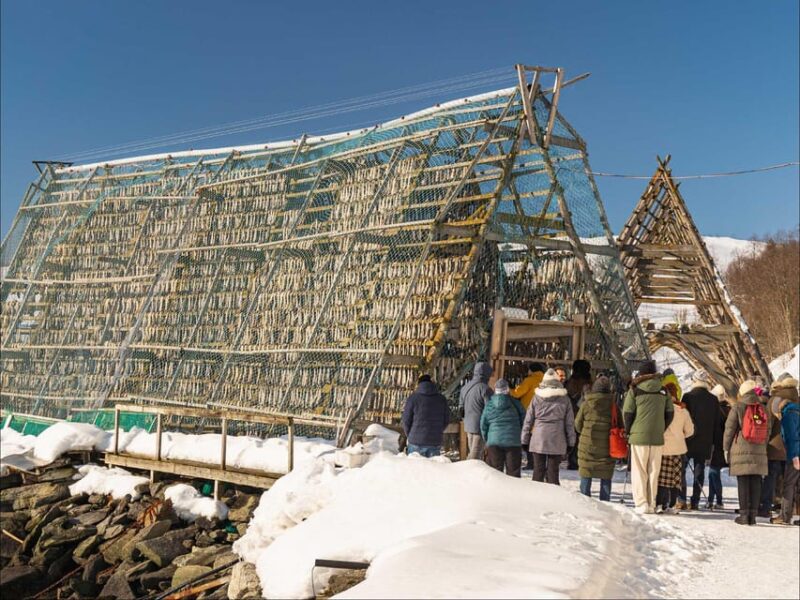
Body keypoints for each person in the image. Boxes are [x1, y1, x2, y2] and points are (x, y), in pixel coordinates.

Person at [623, 360, 674, 514]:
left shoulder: (635, 390)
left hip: (638, 437)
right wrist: (661, 428)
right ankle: (651, 503)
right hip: (657, 438)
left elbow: (627, 413)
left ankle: (641, 503)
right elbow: (670, 414)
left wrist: (629, 431)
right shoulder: (664, 390)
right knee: (654, 471)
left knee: (639, 470)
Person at [723, 380, 772, 525]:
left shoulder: (737, 407)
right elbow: (767, 430)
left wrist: (726, 448)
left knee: (743, 481)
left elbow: (729, 429)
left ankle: (744, 515)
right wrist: (762, 443)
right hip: (759, 448)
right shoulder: (763, 408)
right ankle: (753, 516)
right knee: (756, 481)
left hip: (741, 448)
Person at [521, 368, 575, 485]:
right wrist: (571, 442)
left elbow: (528, 420)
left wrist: (524, 440)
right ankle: (553, 499)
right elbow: (569, 423)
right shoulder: (565, 399)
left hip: (539, 438)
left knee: (538, 471)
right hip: (557, 438)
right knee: (553, 473)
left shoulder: (536, 397)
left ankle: (535, 497)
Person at [680, 370, 720, 510]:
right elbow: (716, 423)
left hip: (688, 439)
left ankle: (681, 498)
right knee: (700, 468)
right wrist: (714, 442)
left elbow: (682, 417)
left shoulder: (688, 397)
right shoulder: (713, 399)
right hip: (705, 441)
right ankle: (695, 501)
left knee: (682, 469)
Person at [575, 375, 615, 501]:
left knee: (587, 471)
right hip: (607, 447)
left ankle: (585, 503)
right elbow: (619, 424)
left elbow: (577, 425)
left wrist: (585, 434)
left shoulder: (586, 404)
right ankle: (606, 503)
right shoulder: (613, 406)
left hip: (587, 445)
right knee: (606, 474)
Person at [656, 387, 695, 513]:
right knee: (675, 479)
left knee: (662, 478)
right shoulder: (683, 411)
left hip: (663, 448)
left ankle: (659, 504)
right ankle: (672, 505)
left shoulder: (660, 409)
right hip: (678, 449)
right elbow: (690, 431)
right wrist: (680, 436)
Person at [770, 373, 800, 525]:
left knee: (789, 484)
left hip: (796, 454)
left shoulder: (788, 413)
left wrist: (794, 457)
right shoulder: (798, 407)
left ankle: (785, 516)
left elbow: (792, 437)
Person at [481, 379, 526, 477]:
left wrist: (487, 439)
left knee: (495, 472)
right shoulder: (515, 403)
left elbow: (483, 424)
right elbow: (524, 419)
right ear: (507, 390)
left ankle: (495, 491)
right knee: (513, 472)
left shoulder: (489, 404)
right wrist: (518, 432)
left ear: (495, 390)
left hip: (494, 441)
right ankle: (513, 491)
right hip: (513, 441)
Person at [402, 374, 450, 458]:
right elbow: (446, 419)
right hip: (434, 441)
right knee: (432, 470)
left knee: (414, 469)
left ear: (419, 384)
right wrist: (437, 431)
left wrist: (409, 435)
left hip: (415, 441)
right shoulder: (441, 399)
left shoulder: (413, 398)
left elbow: (406, 420)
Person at [758, 386, 786, 518]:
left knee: (770, 478)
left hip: (774, 446)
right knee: (788, 480)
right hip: (790, 447)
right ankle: (785, 508)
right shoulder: (795, 400)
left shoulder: (774, 401)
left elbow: (768, 425)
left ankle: (766, 506)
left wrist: (763, 443)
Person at [511, 363, 545, 470]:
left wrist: (508, 390)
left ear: (531, 371)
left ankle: (531, 462)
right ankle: (538, 462)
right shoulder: (544, 381)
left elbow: (517, 393)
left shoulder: (529, 380)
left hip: (528, 411)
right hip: (542, 412)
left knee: (528, 438)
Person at [458, 362, 493, 460]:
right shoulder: (485, 389)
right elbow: (490, 409)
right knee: (475, 456)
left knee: (472, 451)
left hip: (468, 424)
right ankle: (468, 474)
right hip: (480, 427)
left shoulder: (465, 388)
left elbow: (461, 407)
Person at [565, 359, 592, 469]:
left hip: (572, 414)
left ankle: (573, 461)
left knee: (574, 438)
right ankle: (581, 460)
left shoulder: (571, 382)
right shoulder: (590, 382)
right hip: (587, 415)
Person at [708, 383, 731, 509]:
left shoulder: (715, 410)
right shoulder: (730, 409)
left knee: (713, 473)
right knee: (713, 472)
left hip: (716, 445)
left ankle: (717, 501)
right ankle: (713, 500)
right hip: (726, 445)